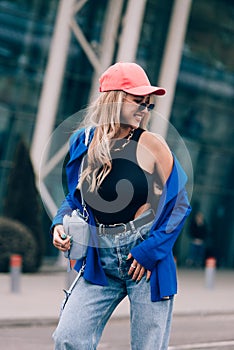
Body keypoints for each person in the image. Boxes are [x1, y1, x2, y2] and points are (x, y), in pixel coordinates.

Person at [51, 62, 191, 350]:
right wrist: (58, 223)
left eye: (148, 103)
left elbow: (179, 204)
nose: (144, 109)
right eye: (137, 100)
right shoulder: (84, 142)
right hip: (98, 258)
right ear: (113, 99)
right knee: (68, 338)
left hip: (145, 257)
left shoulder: (152, 144)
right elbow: (75, 198)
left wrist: (149, 250)